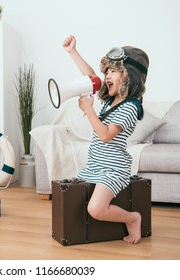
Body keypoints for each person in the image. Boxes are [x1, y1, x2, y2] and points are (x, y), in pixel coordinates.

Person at [63, 35, 149, 244]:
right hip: (95, 165)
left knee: (95, 208)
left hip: (113, 169)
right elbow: (90, 76)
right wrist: (73, 51)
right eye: (107, 71)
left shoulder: (130, 107)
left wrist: (88, 109)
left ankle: (133, 218)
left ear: (129, 77)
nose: (106, 76)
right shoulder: (111, 99)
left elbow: (105, 135)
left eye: (113, 71)